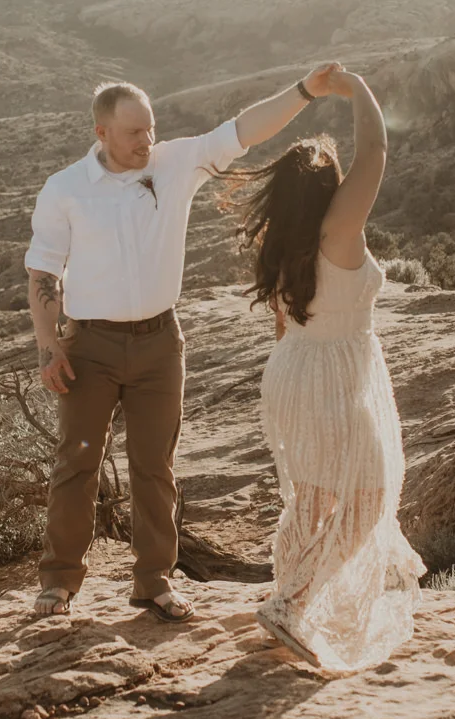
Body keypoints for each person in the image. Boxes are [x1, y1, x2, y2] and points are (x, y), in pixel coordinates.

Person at [25, 66, 340, 621]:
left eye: (150, 128)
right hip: (90, 346)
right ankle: (58, 584)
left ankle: (153, 582)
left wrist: (305, 91)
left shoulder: (176, 162)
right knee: (76, 463)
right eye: (133, 133)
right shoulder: (65, 190)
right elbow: (44, 272)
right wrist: (50, 346)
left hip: (159, 343)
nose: (147, 140)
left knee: (155, 466)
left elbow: (245, 130)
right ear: (101, 133)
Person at [236, 68, 423, 673]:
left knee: (315, 495)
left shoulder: (283, 241)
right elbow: (377, 148)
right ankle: (292, 602)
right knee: (368, 497)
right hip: (334, 370)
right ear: (327, 190)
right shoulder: (339, 232)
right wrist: (358, 86)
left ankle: (285, 594)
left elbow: (282, 322)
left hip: (294, 367)